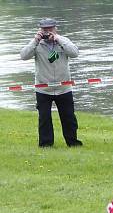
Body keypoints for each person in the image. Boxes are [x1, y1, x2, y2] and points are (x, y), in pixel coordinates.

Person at [19, 17, 82, 148]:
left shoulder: (63, 41)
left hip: (64, 87)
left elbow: (75, 53)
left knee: (69, 118)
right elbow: (23, 56)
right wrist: (35, 40)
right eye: (44, 29)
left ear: (55, 29)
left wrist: (59, 40)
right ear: (40, 30)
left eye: (50, 29)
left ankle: (73, 143)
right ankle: (46, 145)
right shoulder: (36, 44)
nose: (47, 32)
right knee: (44, 119)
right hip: (43, 88)